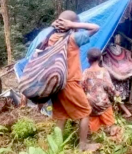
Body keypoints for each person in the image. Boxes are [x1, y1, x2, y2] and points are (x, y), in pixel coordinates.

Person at [49, 10, 100, 151]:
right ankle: (82, 146)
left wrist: (56, 25)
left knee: (61, 115)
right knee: (85, 112)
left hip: (55, 83)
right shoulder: (73, 38)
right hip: (70, 82)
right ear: (70, 24)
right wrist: (73, 24)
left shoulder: (51, 38)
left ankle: (56, 146)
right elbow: (96, 27)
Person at [82, 48, 120, 134]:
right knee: (111, 125)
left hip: (90, 105)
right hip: (103, 103)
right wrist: (115, 94)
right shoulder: (104, 72)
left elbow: (81, 88)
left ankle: (94, 133)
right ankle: (112, 132)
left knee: (94, 129)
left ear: (87, 59)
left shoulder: (85, 72)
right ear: (100, 58)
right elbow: (110, 87)